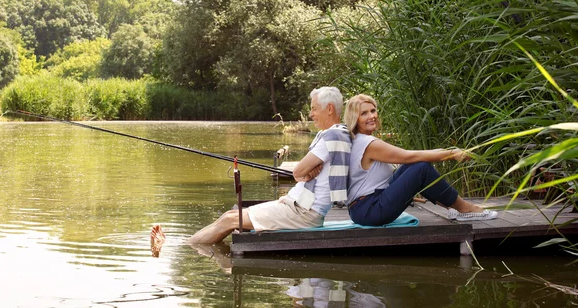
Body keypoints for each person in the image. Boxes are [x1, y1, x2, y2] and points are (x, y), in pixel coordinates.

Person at [187, 86, 352, 244]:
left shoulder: (332, 136)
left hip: (303, 213)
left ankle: (190, 248)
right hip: (297, 206)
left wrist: (305, 172)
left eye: (314, 109)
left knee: (230, 220)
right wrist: (306, 173)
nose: (311, 114)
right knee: (229, 216)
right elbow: (302, 174)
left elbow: (297, 172)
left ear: (329, 109)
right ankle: (189, 244)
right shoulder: (337, 134)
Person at [343, 94, 497, 226]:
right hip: (370, 210)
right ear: (354, 119)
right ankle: (464, 208)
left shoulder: (360, 140)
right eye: (364, 113)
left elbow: (411, 159)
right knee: (420, 167)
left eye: (373, 110)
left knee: (416, 166)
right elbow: (409, 155)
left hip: (364, 208)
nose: (372, 116)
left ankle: (455, 208)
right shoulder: (367, 144)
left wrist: (451, 152)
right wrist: (452, 154)